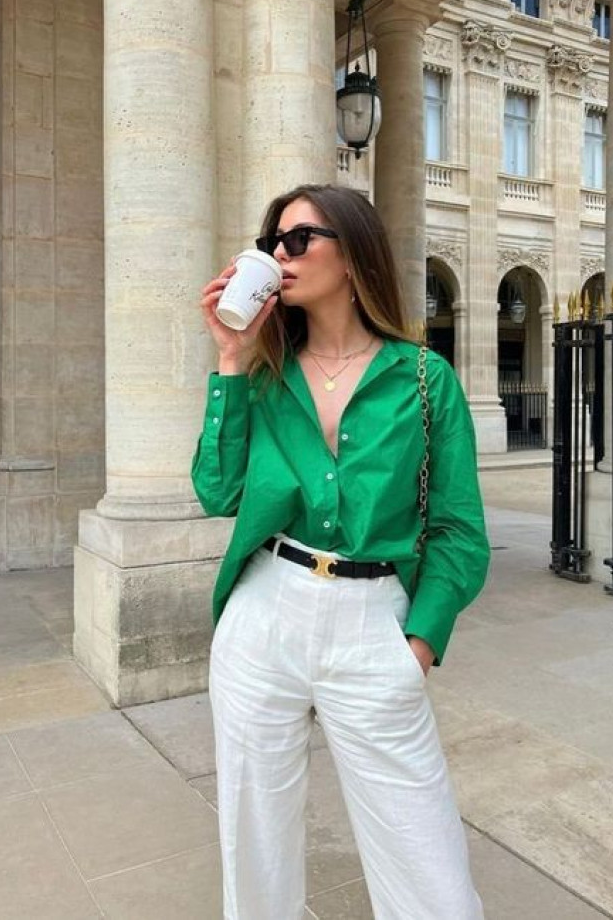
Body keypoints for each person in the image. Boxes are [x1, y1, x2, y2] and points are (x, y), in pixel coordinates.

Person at [192, 184, 489, 920]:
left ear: (351, 253)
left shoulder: (424, 380)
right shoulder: (261, 378)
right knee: (253, 848)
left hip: (373, 625)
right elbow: (217, 491)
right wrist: (230, 357)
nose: (278, 257)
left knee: (433, 880)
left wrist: (419, 643)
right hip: (265, 614)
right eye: (271, 244)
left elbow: (458, 529)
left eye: (297, 240)